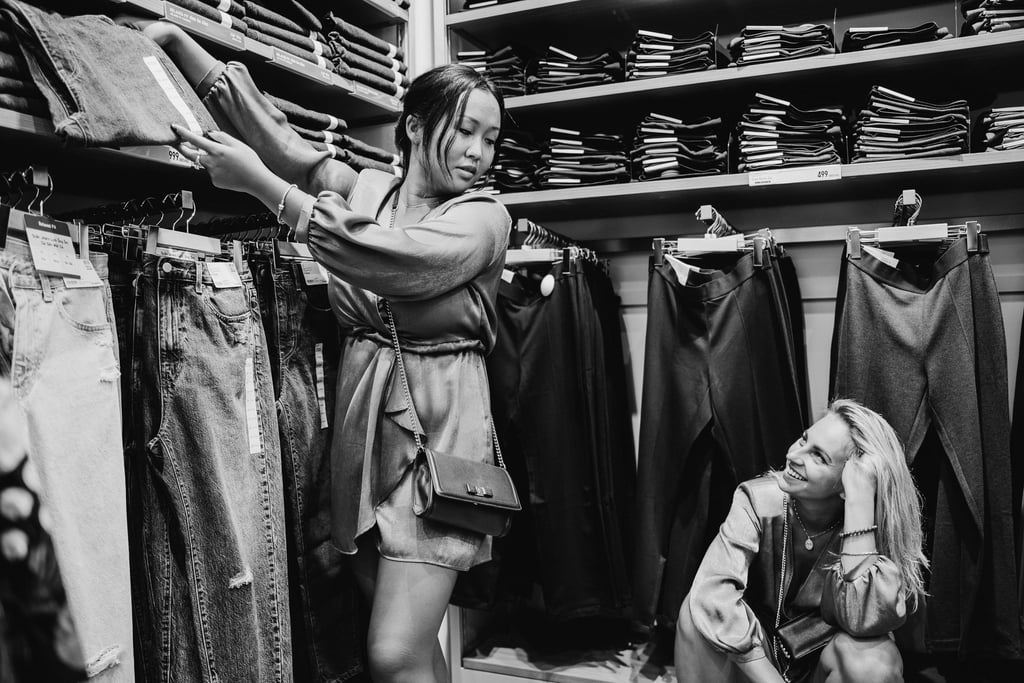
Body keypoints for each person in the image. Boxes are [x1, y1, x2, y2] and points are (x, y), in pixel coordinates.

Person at [122, 18, 510, 683]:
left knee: (392, 650)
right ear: (415, 126)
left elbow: (392, 257)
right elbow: (285, 147)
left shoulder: (483, 218)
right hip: (364, 427)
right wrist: (181, 44)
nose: (478, 152)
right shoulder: (371, 191)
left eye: (491, 138)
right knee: (405, 640)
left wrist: (264, 190)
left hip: (442, 428)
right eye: (465, 130)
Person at [675, 398, 928, 683]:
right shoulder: (757, 500)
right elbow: (712, 592)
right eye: (804, 439)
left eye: (818, 456)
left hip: (821, 664)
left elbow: (865, 622)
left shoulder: (869, 521)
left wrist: (858, 504)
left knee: (875, 660)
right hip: (757, 662)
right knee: (696, 614)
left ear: (850, 480)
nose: (795, 454)